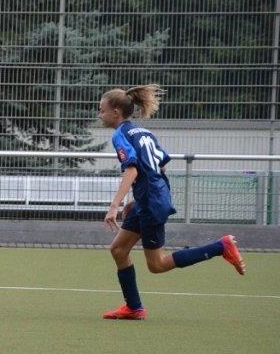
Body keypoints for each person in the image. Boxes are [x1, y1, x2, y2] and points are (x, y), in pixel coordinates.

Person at [97, 84, 245, 320]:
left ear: (116, 112)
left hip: (152, 202)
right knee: (118, 250)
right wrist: (137, 199)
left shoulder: (120, 135)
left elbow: (133, 170)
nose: (99, 114)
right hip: (150, 198)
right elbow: (161, 166)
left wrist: (115, 205)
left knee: (157, 264)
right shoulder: (144, 132)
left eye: (102, 110)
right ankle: (134, 308)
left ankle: (221, 246)